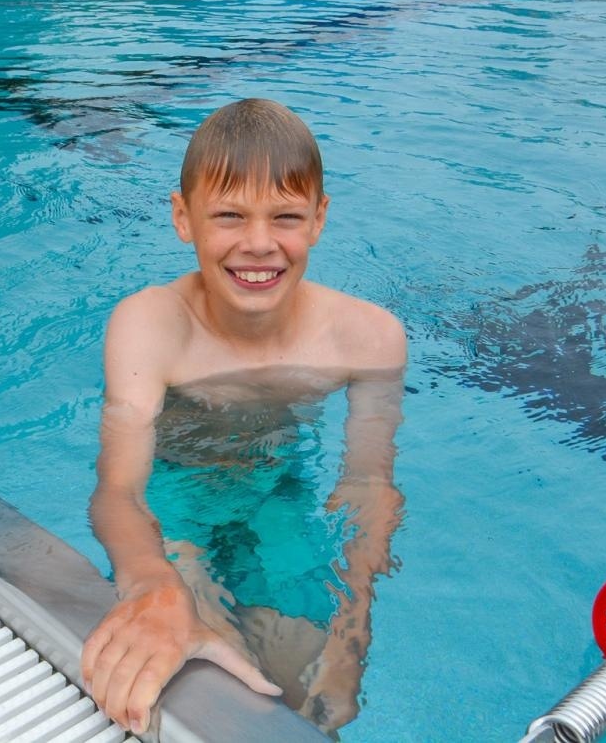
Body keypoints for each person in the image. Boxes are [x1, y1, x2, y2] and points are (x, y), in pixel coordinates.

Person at [81, 99, 407, 736]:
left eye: (285, 217)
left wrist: (351, 637)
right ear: (183, 217)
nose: (259, 245)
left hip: (276, 492)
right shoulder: (151, 325)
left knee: (305, 700)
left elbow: (369, 488)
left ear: (319, 218)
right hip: (175, 501)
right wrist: (154, 583)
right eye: (228, 216)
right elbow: (119, 489)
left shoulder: (369, 338)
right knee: (196, 698)